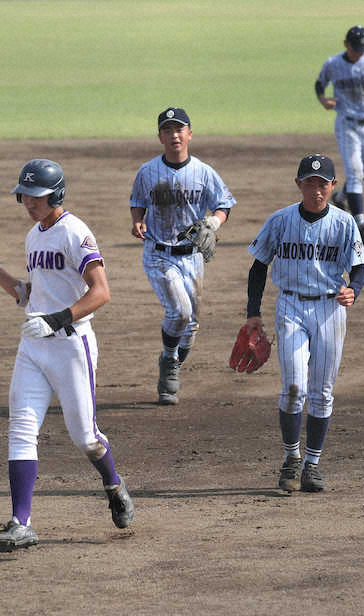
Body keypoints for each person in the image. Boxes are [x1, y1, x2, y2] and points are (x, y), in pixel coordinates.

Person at [0, 159, 134, 552]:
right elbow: (31, 294)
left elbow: (101, 292)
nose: (29, 202)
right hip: (33, 345)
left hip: (70, 344)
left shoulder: (75, 232)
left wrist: (56, 319)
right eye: (25, 195)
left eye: (37, 196)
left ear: (56, 195)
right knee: (20, 430)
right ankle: (20, 522)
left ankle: (113, 483)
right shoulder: (34, 235)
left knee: (85, 436)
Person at [243, 154, 364, 493]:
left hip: (330, 309)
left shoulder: (344, 223)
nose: (316, 190)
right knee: (294, 387)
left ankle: (312, 464)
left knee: (322, 392)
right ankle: (292, 457)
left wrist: (352, 290)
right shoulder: (280, 220)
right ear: (299, 184)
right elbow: (258, 268)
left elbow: (360, 268)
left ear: (332, 186)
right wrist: (253, 312)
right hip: (291, 306)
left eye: (322, 184)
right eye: (309, 183)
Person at [129, 107, 236, 405]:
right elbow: (138, 201)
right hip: (159, 254)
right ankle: (168, 362)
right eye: (168, 130)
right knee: (179, 312)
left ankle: (172, 359)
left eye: (179, 129)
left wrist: (214, 222)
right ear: (160, 136)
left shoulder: (203, 172)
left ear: (189, 133)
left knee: (190, 328)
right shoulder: (148, 172)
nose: (174, 135)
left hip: (193, 257)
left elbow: (223, 204)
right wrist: (137, 220)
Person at [315, 25, 364, 243]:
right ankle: (359, 222)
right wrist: (323, 100)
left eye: (363, 48)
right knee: (355, 171)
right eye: (355, 48)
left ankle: (341, 197)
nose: (360, 53)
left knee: (362, 175)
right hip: (347, 123)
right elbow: (319, 84)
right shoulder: (333, 64)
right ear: (346, 45)